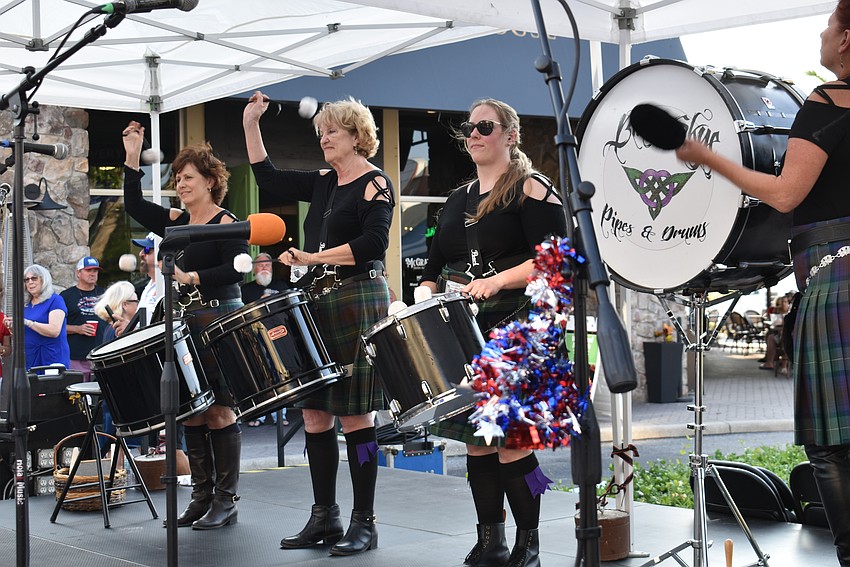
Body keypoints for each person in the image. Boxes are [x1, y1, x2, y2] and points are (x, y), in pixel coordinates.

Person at [674, 4, 850, 564]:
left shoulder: (827, 102)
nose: (820, 33)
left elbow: (784, 193)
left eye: (828, 24)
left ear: (847, 40)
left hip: (838, 281)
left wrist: (707, 156)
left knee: (832, 443)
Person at [417, 98, 567, 567]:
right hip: (471, 330)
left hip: (522, 327)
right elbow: (437, 263)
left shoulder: (532, 190)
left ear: (510, 135)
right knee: (478, 441)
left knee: (513, 441)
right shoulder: (457, 200)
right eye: (469, 126)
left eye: (486, 125)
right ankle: (491, 541)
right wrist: (423, 290)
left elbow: (554, 259)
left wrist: (499, 279)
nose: (475, 133)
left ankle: (529, 544)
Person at [243, 91, 393, 556]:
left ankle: (364, 522)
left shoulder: (375, 183)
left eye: (332, 131)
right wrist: (251, 122)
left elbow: (373, 243)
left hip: (357, 298)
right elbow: (267, 176)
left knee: (355, 414)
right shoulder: (326, 182)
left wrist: (313, 257)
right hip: (317, 302)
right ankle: (324, 516)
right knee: (313, 411)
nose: (324, 138)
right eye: (321, 131)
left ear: (357, 136)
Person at [122, 121, 248, 530]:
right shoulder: (177, 220)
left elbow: (239, 271)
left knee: (219, 412)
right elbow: (135, 206)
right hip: (181, 323)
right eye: (177, 178)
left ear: (211, 181)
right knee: (191, 413)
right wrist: (132, 155)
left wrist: (192, 278)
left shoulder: (229, 221)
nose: (180, 184)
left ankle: (226, 501)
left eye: (188, 177)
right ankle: (201, 495)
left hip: (218, 320)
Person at [93, 281, 141, 454]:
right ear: (125, 305)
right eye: (136, 301)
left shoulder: (109, 329)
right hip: (126, 402)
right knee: (128, 448)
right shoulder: (118, 331)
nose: (139, 304)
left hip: (115, 400)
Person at [8, 265, 71, 371]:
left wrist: (28, 322)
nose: (30, 282)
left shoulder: (55, 300)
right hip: (30, 360)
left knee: (52, 387)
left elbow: (54, 331)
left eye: (34, 278)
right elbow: (22, 336)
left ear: (44, 279)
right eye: (27, 280)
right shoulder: (26, 305)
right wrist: (12, 328)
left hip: (51, 359)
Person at [60, 256, 106, 381]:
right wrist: (77, 329)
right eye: (88, 270)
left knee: (101, 394)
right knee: (77, 394)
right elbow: (56, 327)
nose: (92, 274)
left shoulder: (105, 294)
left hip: (100, 354)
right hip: (75, 356)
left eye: (95, 271)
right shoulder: (66, 296)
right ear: (78, 273)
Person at [132, 231, 161, 326]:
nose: (141, 254)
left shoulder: (168, 285)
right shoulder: (149, 286)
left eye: (147, 249)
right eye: (142, 249)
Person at [760, 295, 790, 371]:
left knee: (771, 337)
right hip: (780, 334)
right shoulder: (777, 311)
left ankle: (772, 361)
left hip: (788, 336)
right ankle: (770, 361)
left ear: (788, 303)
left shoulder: (790, 313)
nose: (783, 304)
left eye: (785, 302)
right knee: (770, 336)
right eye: (782, 302)